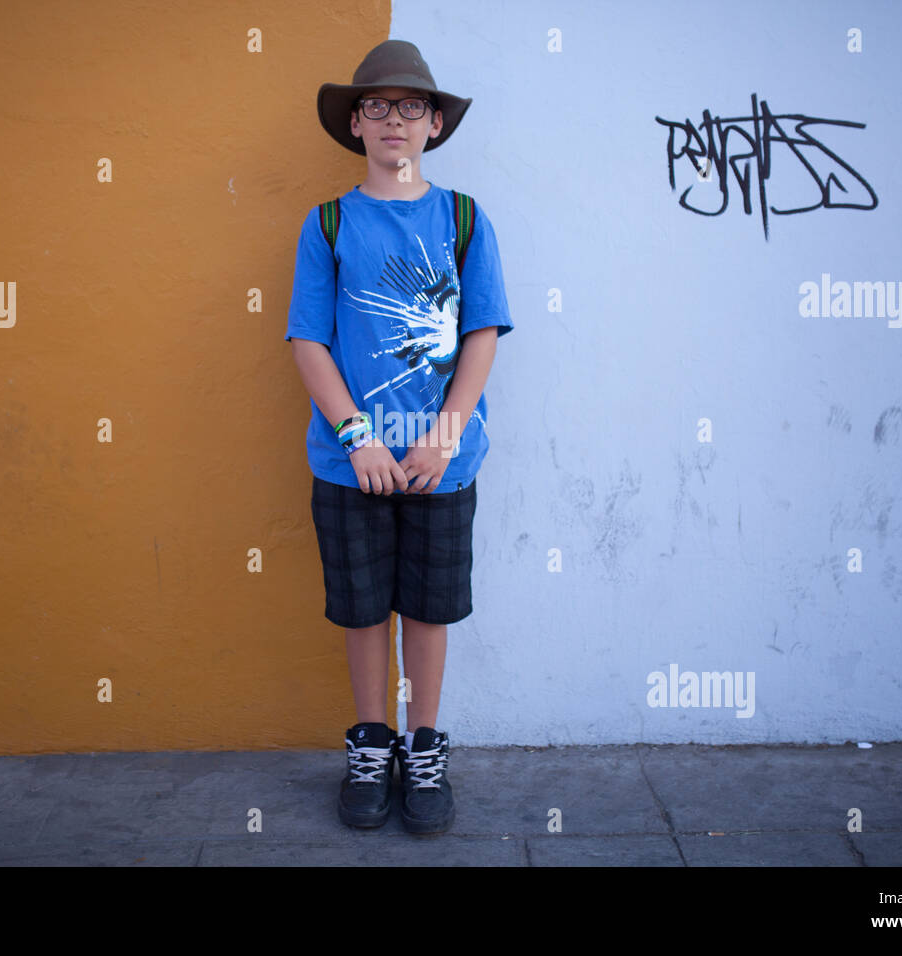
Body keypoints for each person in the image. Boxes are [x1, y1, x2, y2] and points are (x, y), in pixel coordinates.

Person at [285, 40, 514, 834]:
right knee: (361, 609)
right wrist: (358, 436)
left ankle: (422, 747)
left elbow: (482, 331)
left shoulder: (462, 217)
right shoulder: (328, 224)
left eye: (411, 106)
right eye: (376, 106)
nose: (393, 120)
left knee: (426, 608)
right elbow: (309, 341)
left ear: (435, 125)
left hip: (441, 463)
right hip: (352, 464)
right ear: (355, 123)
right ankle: (371, 743)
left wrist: (445, 434)